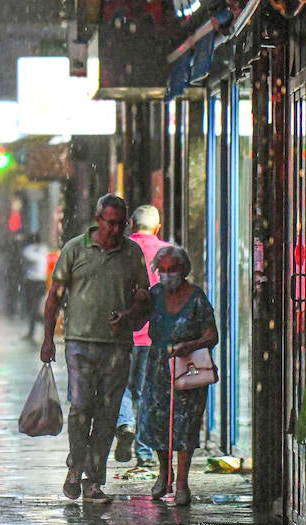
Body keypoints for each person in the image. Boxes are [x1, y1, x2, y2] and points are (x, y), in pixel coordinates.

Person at [40, 194, 151, 503]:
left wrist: (129, 316)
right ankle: (75, 466)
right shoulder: (76, 249)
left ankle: (93, 479)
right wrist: (48, 338)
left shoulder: (132, 254)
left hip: (117, 345)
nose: (115, 230)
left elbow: (144, 298)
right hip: (80, 342)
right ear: (98, 220)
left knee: (106, 413)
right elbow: (55, 296)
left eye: (120, 224)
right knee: (80, 409)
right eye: (109, 223)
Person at [137, 244, 219, 506]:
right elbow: (138, 321)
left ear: (183, 270)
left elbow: (212, 334)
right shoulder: (155, 294)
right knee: (158, 420)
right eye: (162, 270)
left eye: (173, 270)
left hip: (188, 369)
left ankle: (182, 482)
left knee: (186, 424)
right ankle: (164, 472)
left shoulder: (196, 298)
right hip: (159, 365)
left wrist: (190, 346)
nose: (167, 275)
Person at [113, 204, 166, 465]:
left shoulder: (120, 251)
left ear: (131, 224)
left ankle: (125, 424)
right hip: (155, 335)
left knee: (120, 385)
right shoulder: (167, 254)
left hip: (124, 332)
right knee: (147, 392)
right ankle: (144, 454)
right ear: (158, 227)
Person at [20, 233, 50, 341]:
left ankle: (44, 325)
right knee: (35, 307)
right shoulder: (45, 250)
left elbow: (26, 258)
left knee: (31, 308)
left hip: (32, 282)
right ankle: (42, 326)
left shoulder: (28, 251)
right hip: (42, 282)